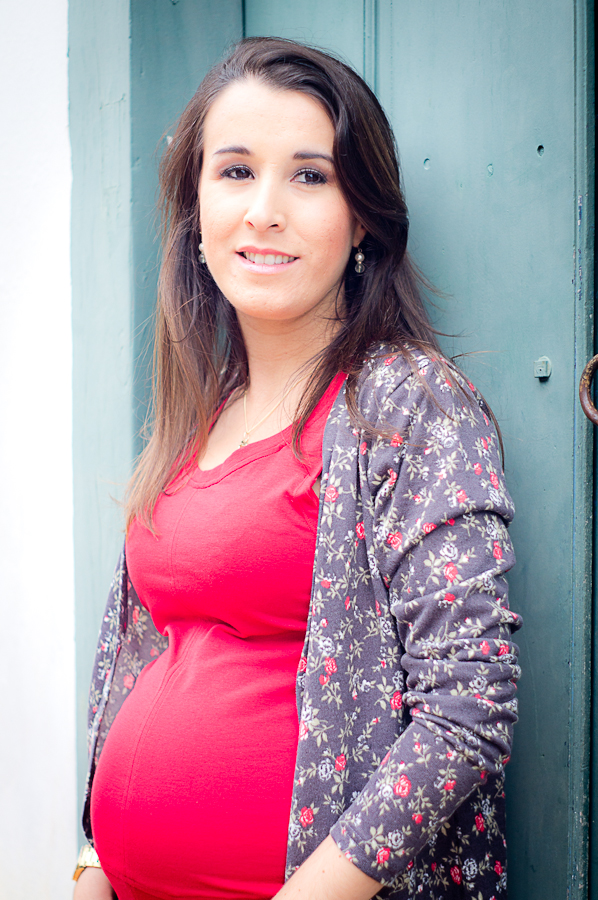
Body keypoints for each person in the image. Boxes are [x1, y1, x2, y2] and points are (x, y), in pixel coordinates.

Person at [73, 37, 521, 900]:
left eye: (309, 176)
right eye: (236, 171)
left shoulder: (409, 405)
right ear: (196, 205)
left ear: (363, 218)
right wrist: (96, 865)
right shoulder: (197, 417)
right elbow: (135, 666)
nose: (264, 210)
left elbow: (467, 710)